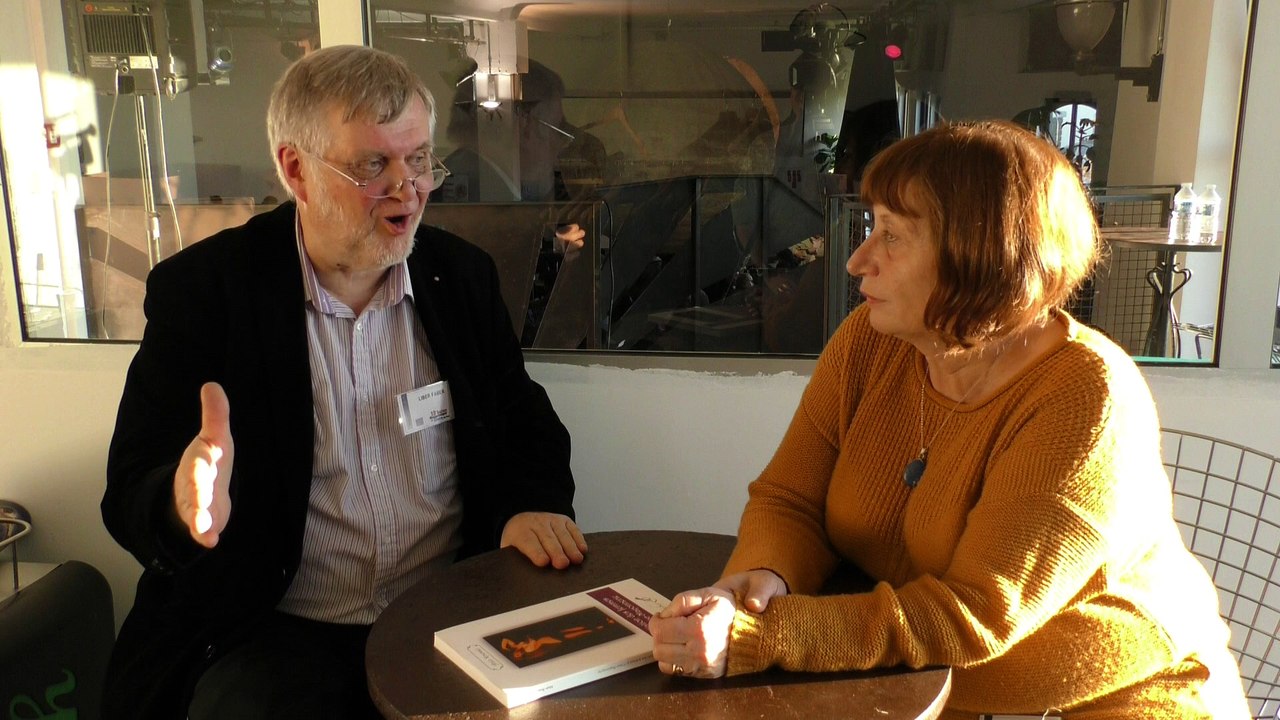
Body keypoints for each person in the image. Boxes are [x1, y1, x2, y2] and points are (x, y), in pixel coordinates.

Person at [649, 120, 1250, 718]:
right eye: (870, 227)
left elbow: (973, 615)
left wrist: (768, 636)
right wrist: (759, 580)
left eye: (892, 236)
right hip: (913, 689)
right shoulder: (871, 338)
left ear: (980, 257)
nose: (859, 260)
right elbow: (790, 498)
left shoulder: (1086, 396)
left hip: (1114, 701)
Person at [101, 45, 588, 720]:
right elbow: (130, 486)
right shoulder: (208, 294)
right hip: (273, 628)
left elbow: (521, 419)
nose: (407, 188)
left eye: (418, 159)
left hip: (443, 613)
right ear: (296, 169)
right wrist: (179, 505)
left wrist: (529, 503)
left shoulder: (460, 278)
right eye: (372, 165)